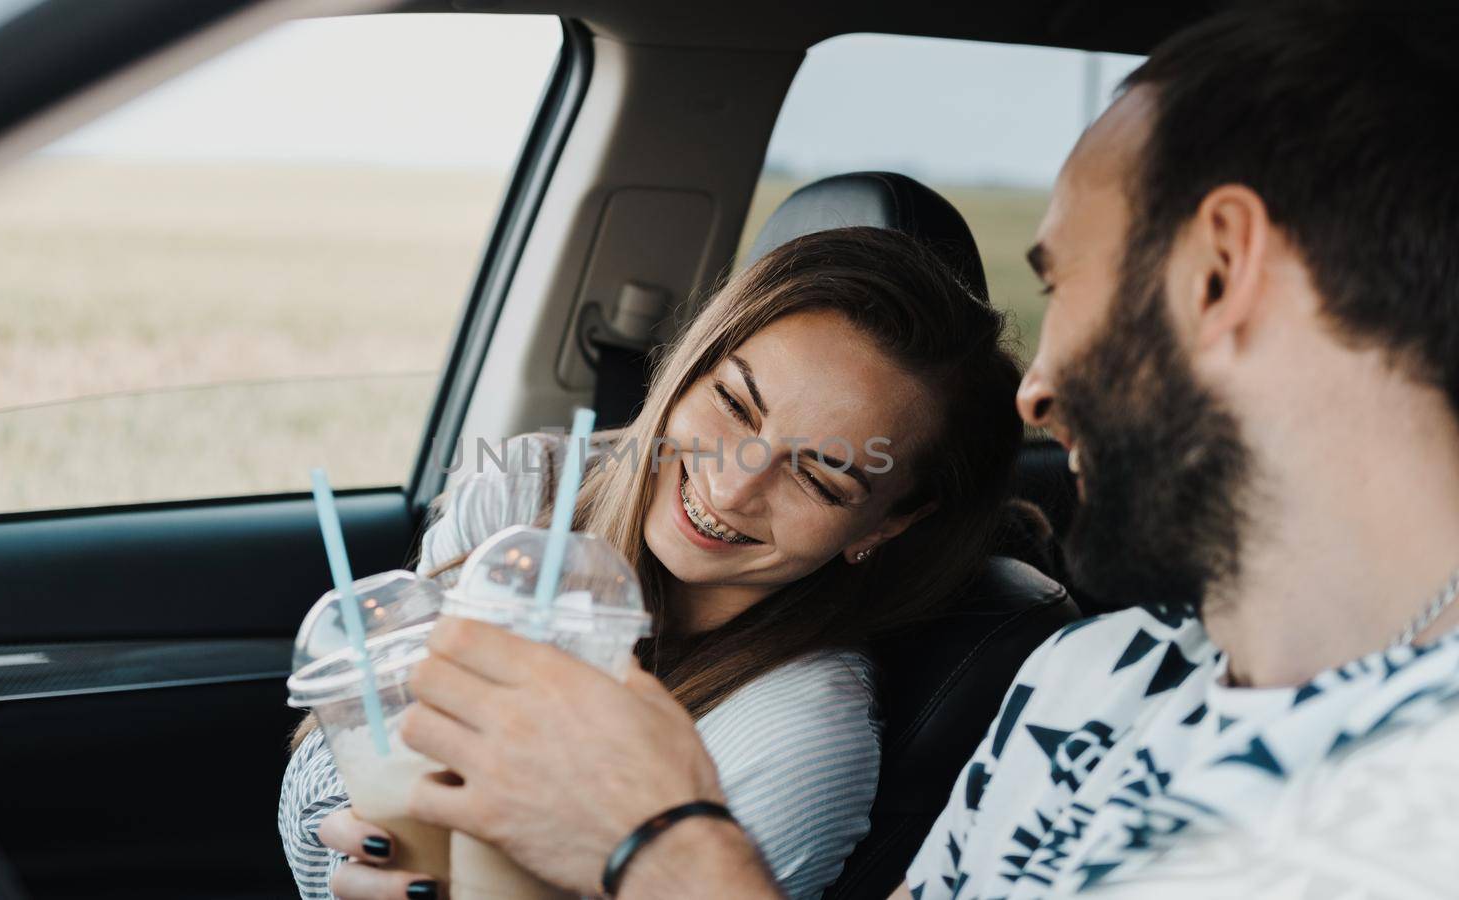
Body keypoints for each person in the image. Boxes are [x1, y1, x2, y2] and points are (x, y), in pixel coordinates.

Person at [318, 7, 1459, 899]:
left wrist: (662, 841)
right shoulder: (1094, 677)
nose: (1038, 387)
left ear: (1218, 269)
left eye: (1058, 282)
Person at [278, 225, 1029, 899]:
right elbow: (340, 753)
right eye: (735, 406)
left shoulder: (798, 737)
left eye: (819, 476)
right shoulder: (521, 489)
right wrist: (356, 837)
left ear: (890, 523)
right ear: (686, 368)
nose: (733, 486)